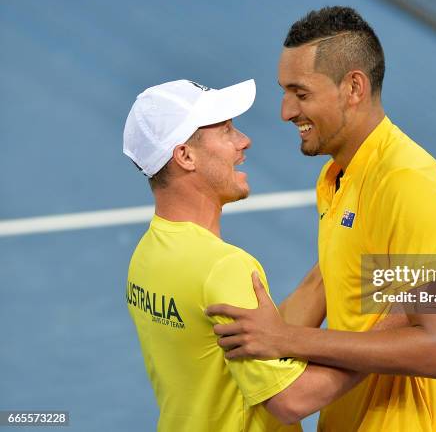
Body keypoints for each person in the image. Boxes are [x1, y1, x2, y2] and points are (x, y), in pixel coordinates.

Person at [206, 7, 436, 431]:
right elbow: (328, 278)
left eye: (301, 93)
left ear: (354, 88)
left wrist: (286, 340)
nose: (286, 111)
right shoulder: (337, 177)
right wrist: (237, 349)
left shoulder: (408, 185)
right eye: (284, 92)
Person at [123, 78, 364, 432]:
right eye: (226, 131)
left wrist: (350, 243)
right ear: (185, 156)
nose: (244, 140)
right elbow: (290, 400)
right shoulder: (224, 267)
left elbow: (273, 340)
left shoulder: (145, 257)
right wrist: (391, 339)